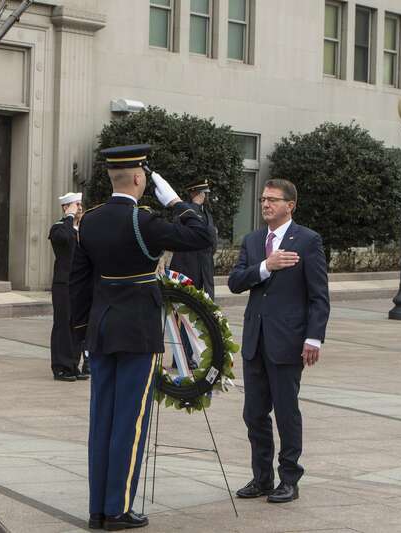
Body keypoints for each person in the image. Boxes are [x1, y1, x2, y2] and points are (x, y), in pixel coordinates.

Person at [70, 144, 213, 530]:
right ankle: (117, 510)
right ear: (138, 178)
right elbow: (202, 235)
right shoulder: (144, 221)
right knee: (130, 423)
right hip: (137, 332)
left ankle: (97, 508)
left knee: (102, 420)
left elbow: (78, 284)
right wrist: (178, 202)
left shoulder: (90, 220)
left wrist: (82, 334)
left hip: (100, 331)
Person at [228, 178, 330, 504]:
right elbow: (234, 282)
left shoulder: (308, 241)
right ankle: (261, 477)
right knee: (254, 413)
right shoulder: (254, 240)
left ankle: (289, 478)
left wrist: (313, 338)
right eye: (262, 199)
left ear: (291, 205)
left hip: (287, 341)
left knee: (286, 412)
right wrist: (264, 266)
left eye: (273, 199)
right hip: (255, 341)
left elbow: (319, 296)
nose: (265, 205)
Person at [48, 191, 87, 382]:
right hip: (64, 284)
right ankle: (61, 367)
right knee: (63, 324)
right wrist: (69, 217)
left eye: (80, 204)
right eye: (75, 204)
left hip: (80, 285)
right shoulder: (59, 227)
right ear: (66, 207)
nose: (79, 208)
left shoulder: (84, 229)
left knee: (77, 326)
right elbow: (63, 239)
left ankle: (73, 364)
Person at [169, 179, 217, 299]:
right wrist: (195, 205)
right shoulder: (183, 210)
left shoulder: (207, 213)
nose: (205, 196)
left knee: (207, 304)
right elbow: (179, 232)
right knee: (188, 303)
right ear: (194, 193)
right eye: (202, 192)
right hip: (187, 265)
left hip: (205, 267)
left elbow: (212, 239)